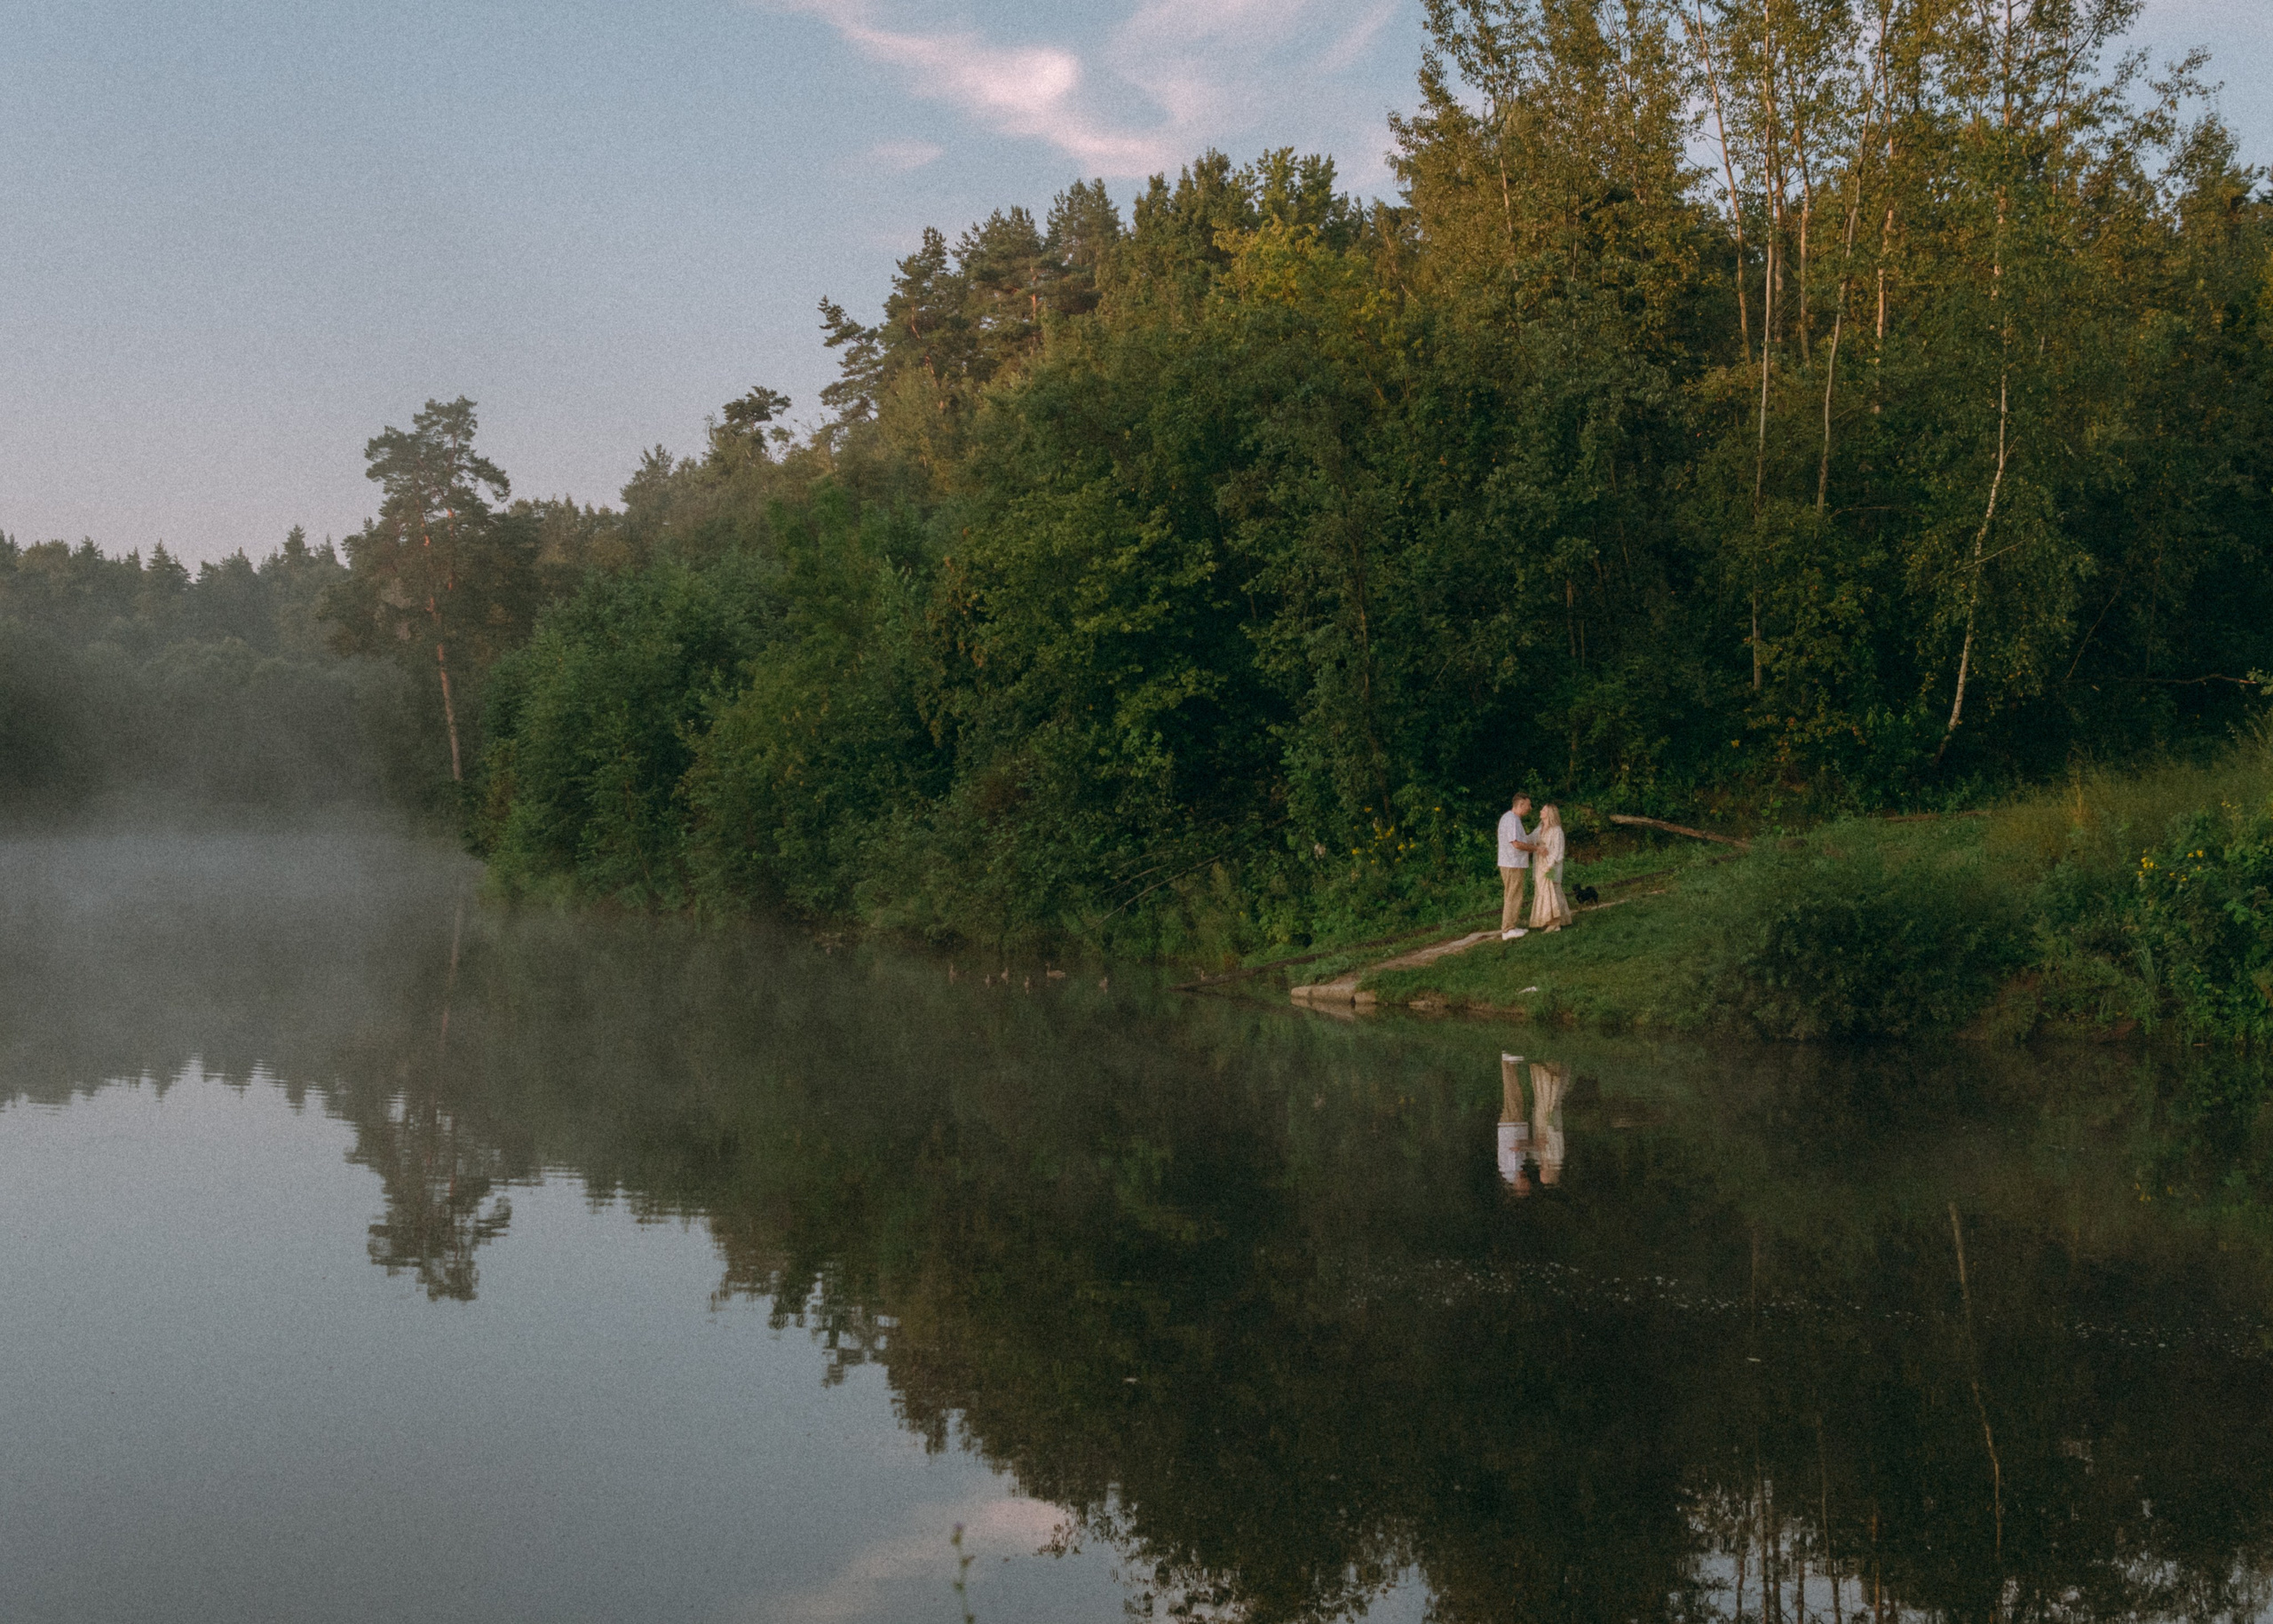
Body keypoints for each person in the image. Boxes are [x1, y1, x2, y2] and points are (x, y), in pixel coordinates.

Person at [1496, 793, 1536, 940]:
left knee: (1512, 895)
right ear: (1520, 805)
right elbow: (1517, 844)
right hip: (1512, 863)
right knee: (1513, 895)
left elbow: (1522, 839)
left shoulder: (1513, 819)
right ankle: (1507, 929)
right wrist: (1536, 849)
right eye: (1528, 805)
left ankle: (1511, 925)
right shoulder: (1511, 820)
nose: (1530, 808)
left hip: (1511, 863)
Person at [1528, 804, 1572, 932]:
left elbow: (1559, 851)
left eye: (1544, 810)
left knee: (1552, 889)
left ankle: (1555, 922)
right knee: (1542, 890)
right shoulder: (1539, 828)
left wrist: (1550, 865)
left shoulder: (1557, 831)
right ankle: (1547, 919)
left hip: (1551, 864)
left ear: (1550, 813)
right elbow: (1529, 839)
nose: (1541, 811)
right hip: (1540, 863)